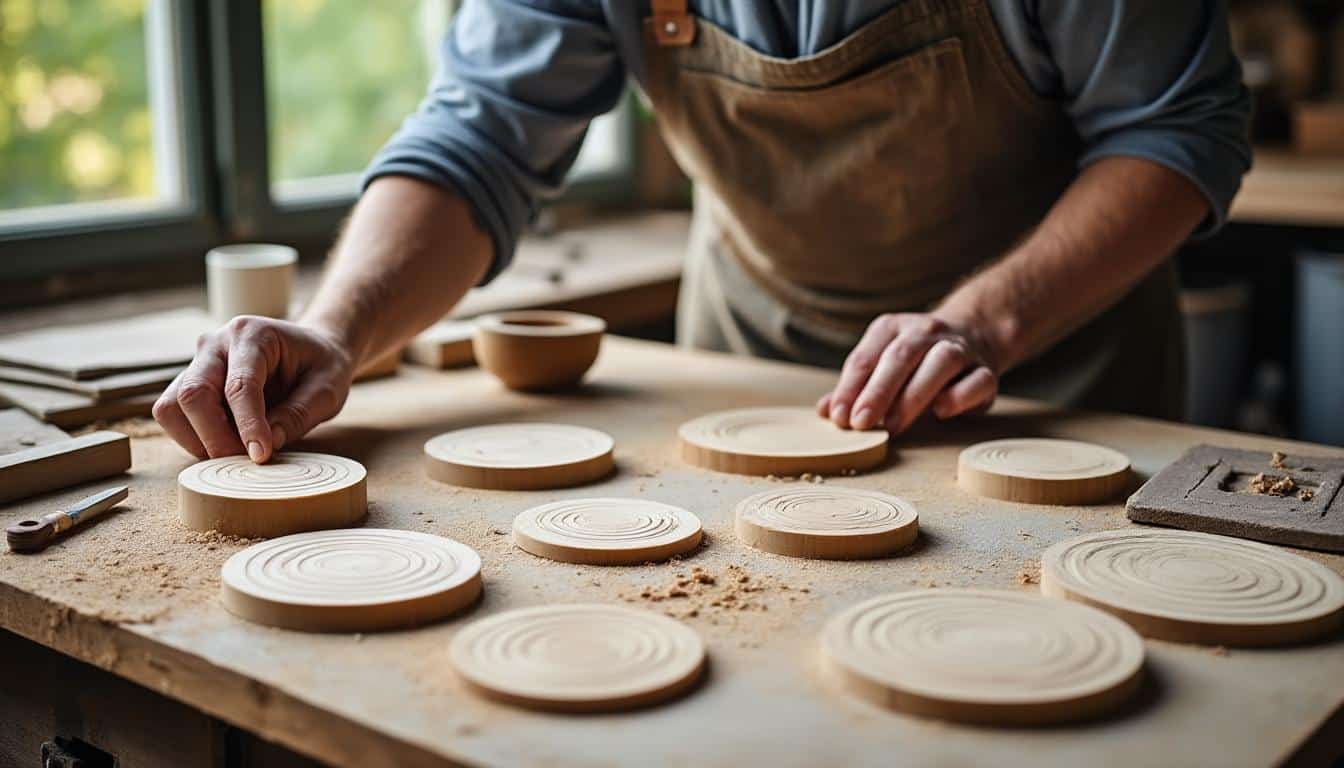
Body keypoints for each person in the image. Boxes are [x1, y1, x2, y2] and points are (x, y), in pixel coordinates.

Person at [154, 0, 1251, 463]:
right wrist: (339, 329)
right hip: (743, 366)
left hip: (1041, 376)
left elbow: (1175, 127)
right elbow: (481, 136)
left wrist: (983, 323)